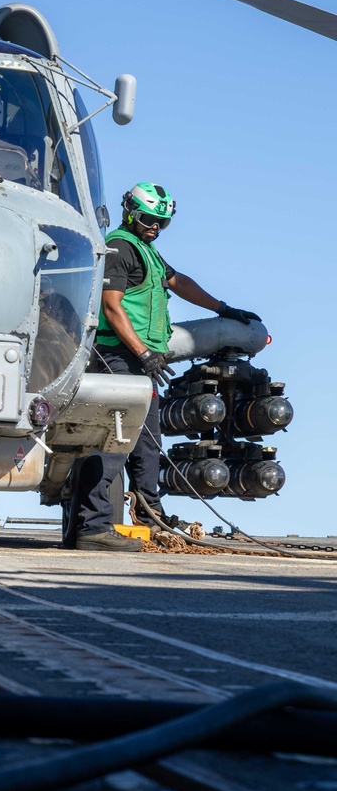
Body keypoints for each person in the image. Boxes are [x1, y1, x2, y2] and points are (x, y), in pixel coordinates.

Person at [75, 182, 261, 552]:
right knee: (113, 442)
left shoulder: (149, 252)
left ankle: (151, 518)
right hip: (119, 359)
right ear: (131, 213)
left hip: (143, 362)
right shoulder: (120, 247)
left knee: (147, 445)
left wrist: (222, 309)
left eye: (162, 222)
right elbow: (112, 307)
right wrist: (143, 352)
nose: (155, 227)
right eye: (148, 219)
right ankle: (92, 527)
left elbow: (180, 283)